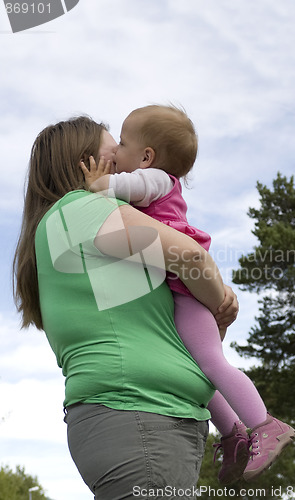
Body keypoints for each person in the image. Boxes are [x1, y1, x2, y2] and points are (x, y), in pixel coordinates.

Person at [13, 115, 239, 500]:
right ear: (85, 160)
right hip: (138, 417)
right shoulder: (81, 208)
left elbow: (172, 333)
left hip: (146, 419)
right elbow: (193, 258)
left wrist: (212, 316)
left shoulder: (79, 228)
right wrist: (221, 298)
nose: (121, 151)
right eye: (113, 144)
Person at [81, 104, 295, 484]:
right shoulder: (156, 182)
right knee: (193, 365)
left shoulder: (156, 180)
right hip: (178, 290)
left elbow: (119, 190)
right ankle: (233, 434)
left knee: (211, 362)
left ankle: (264, 424)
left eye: (124, 145)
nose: (117, 155)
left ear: (147, 157)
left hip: (187, 291)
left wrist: (96, 183)